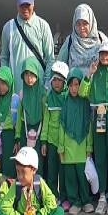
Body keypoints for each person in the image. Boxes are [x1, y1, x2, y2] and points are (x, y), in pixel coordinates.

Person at [80, 39, 108, 215]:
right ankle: (102, 195)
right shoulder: (94, 75)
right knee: (101, 158)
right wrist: (89, 74)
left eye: (107, 53)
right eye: (102, 53)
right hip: (98, 117)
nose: (104, 56)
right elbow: (83, 93)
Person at [1, 147, 64, 215]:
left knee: (59, 211)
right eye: (18, 172)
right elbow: (5, 206)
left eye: (23, 173)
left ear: (34, 170)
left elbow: (51, 202)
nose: (20, 176)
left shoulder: (39, 183)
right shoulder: (16, 185)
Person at [0, 0, 55, 95]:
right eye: (22, 5)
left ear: (33, 2)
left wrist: (46, 84)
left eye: (28, 4)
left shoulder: (43, 26)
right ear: (17, 4)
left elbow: (50, 59)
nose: (25, 8)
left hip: (38, 91)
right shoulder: (8, 28)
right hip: (15, 91)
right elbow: (4, 57)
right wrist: (6, 82)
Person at [58, 68, 93, 215]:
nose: (74, 88)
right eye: (71, 85)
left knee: (83, 176)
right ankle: (75, 202)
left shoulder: (85, 104)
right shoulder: (65, 104)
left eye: (77, 85)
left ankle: (86, 201)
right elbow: (62, 126)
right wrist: (61, 147)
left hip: (82, 147)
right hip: (68, 147)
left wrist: (89, 147)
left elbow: (88, 126)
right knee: (70, 177)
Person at [42, 61, 69, 203]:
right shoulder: (48, 99)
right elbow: (45, 122)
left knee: (63, 171)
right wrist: (44, 141)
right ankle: (53, 195)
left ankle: (64, 197)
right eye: (55, 80)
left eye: (60, 80)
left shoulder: (67, 98)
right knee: (52, 172)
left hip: (64, 142)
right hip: (52, 142)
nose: (57, 83)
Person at [58, 4, 108, 76]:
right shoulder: (70, 41)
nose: (81, 27)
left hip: (96, 86)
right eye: (78, 24)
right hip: (75, 86)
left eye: (85, 23)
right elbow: (60, 66)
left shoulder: (101, 39)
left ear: (91, 22)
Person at [15, 56, 45, 178]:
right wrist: (17, 137)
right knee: (25, 162)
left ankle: (39, 189)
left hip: (39, 132)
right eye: (26, 74)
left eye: (32, 74)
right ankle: (25, 187)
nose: (29, 78)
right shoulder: (22, 94)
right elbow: (18, 118)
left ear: (37, 74)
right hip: (25, 134)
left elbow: (46, 117)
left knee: (38, 163)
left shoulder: (43, 94)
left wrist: (44, 140)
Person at [0, 66, 19, 178]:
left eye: (3, 83)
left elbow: (18, 124)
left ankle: (10, 188)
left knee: (9, 165)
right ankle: (1, 188)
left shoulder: (14, 100)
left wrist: (17, 140)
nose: (1, 87)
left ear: (10, 82)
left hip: (9, 136)